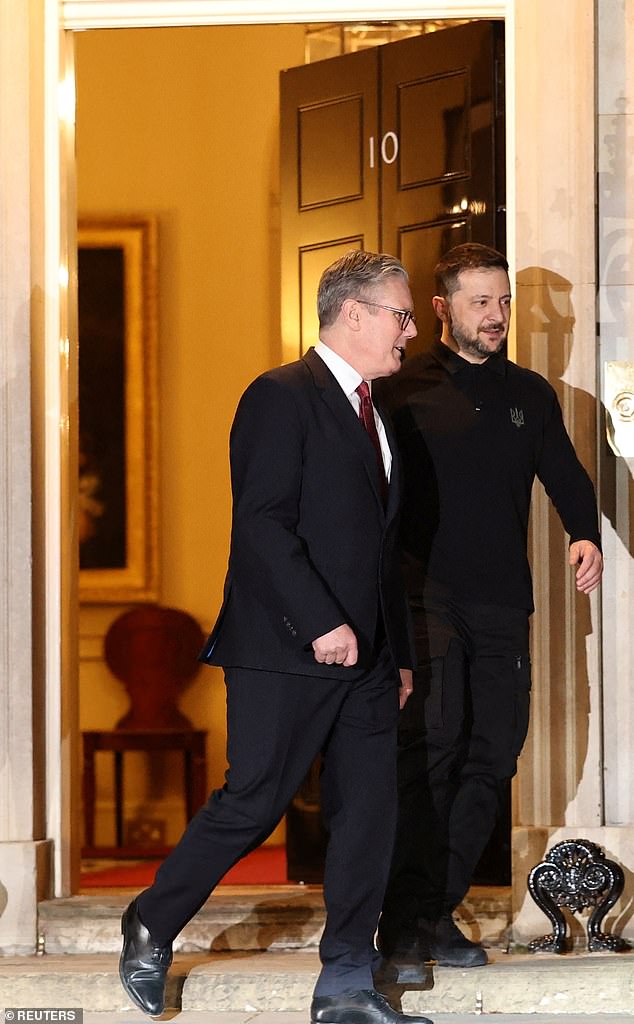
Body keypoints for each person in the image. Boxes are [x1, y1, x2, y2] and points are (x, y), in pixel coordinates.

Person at [118, 250, 433, 1024]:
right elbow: (260, 524)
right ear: (353, 315)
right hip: (284, 647)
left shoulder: (379, 413)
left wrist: (396, 653)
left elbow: (378, 548)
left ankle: (347, 981)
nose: (412, 329)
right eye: (401, 313)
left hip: (368, 657)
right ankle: (151, 921)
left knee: (367, 810)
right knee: (253, 800)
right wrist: (322, 622)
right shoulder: (279, 396)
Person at [374, 242, 603, 980]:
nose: (497, 315)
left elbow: (565, 474)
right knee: (433, 757)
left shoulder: (530, 394)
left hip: (504, 603)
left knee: (492, 758)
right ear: (441, 308)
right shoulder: (399, 390)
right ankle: (402, 925)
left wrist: (585, 534)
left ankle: (437, 915)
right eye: (480, 302)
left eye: (503, 301)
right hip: (424, 601)